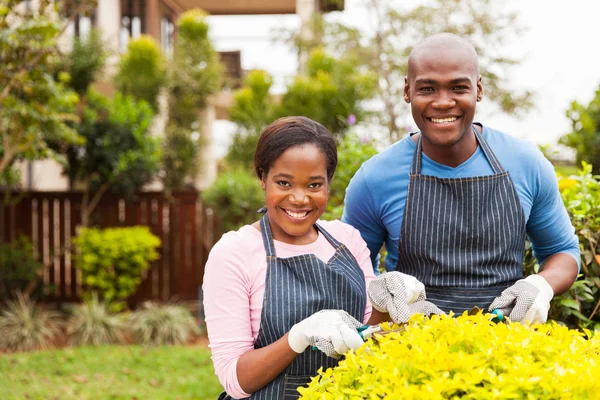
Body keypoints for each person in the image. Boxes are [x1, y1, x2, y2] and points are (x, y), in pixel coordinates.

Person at [342, 33, 580, 325]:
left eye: (458, 87)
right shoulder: (374, 178)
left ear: (478, 90)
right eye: (427, 88)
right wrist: (382, 294)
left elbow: (562, 252)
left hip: (508, 349)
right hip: (406, 353)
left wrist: (541, 285)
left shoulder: (525, 163)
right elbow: (348, 274)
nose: (443, 102)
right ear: (407, 91)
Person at [203, 116, 396, 400]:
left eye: (314, 185)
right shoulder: (234, 252)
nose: (299, 198)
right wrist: (299, 337)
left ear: (328, 184)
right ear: (262, 178)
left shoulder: (347, 239)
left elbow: (373, 338)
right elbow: (235, 378)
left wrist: (386, 300)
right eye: (284, 183)